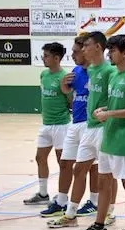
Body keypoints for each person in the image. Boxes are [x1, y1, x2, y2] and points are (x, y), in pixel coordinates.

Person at [76, 34, 125, 230]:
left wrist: (110, 114)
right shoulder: (114, 75)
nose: (109, 54)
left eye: (113, 50)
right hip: (109, 138)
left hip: (124, 140)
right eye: (109, 50)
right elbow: (115, 103)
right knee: (104, 182)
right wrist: (104, 110)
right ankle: (98, 226)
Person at [46, 31, 115, 229]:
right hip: (88, 127)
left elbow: (118, 100)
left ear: (97, 47)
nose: (81, 51)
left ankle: (109, 211)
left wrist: (108, 112)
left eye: (85, 47)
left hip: (103, 127)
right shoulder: (89, 71)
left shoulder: (109, 71)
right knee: (78, 169)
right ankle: (70, 215)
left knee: (107, 174)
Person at [40, 35, 100, 219]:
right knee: (66, 163)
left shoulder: (99, 72)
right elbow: (71, 95)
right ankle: (61, 201)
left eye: (75, 51)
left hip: (92, 125)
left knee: (92, 167)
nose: (72, 55)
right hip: (75, 123)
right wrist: (64, 87)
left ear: (85, 50)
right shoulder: (75, 71)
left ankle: (94, 202)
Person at [23, 42, 70, 206]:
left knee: (62, 162)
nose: (43, 58)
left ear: (57, 58)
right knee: (39, 157)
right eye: (43, 55)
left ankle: (63, 195)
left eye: (46, 56)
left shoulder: (65, 77)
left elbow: (70, 103)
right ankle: (43, 194)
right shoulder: (43, 75)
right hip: (46, 124)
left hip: (61, 125)